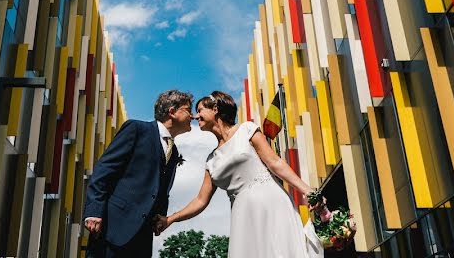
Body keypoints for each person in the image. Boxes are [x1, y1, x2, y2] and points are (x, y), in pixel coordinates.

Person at [153, 91, 324, 258]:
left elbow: (275, 162)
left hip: (271, 203)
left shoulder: (246, 129)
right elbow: (200, 200)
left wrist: (309, 191)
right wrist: (171, 219)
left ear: (215, 109)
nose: (195, 117)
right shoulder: (211, 160)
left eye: (199, 110)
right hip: (242, 216)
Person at [83, 89, 193, 258]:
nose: (192, 116)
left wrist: (160, 217)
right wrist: (94, 211)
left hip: (142, 237)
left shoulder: (174, 150)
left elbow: (161, 189)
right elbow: (104, 169)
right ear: (172, 111)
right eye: (188, 110)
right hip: (112, 228)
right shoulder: (137, 129)